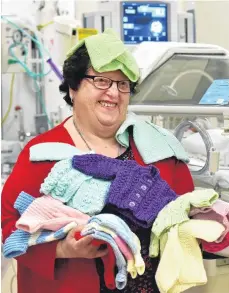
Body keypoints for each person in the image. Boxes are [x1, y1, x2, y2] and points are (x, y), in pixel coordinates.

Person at [1, 29, 194, 293]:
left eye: (123, 84)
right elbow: (7, 225)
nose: (113, 93)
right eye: (101, 80)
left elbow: (187, 212)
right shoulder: (42, 154)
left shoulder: (158, 148)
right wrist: (63, 248)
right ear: (73, 87)